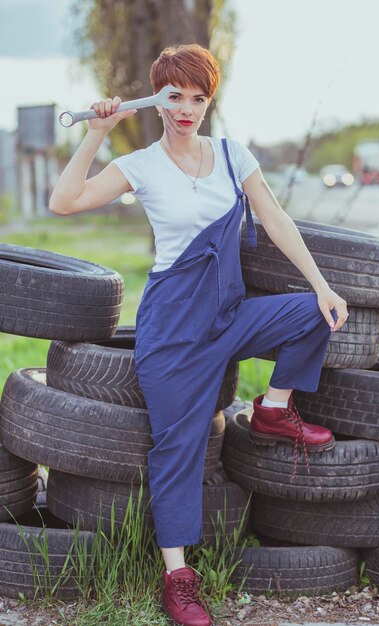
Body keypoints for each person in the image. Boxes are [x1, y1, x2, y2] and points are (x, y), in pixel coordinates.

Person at [50, 43, 349, 626]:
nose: (186, 109)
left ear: (209, 101)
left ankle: (274, 409)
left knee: (317, 313)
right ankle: (177, 578)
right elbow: (64, 202)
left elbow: (275, 218)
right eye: (174, 97)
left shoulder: (234, 156)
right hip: (172, 330)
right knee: (177, 449)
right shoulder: (139, 165)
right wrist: (96, 132)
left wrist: (321, 283)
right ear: (157, 100)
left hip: (227, 313)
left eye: (198, 97)